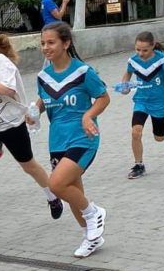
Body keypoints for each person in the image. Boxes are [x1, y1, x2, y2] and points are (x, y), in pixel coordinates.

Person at [0, 28, 61, 225]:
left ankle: (53, 197)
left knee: (28, 166)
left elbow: (8, 89)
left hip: (12, 124)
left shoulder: (2, 64)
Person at [33, 22, 110, 258]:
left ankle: (94, 212)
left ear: (66, 43)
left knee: (56, 185)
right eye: (43, 43)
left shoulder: (83, 72)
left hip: (83, 138)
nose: (46, 47)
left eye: (51, 42)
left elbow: (103, 98)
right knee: (72, 190)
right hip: (57, 141)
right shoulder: (43, 77)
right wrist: (34, 111)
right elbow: (45, 101)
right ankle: (91, 237)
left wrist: (89, 115)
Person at [118, 31, 164, 179]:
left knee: (159, 138)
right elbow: (127, 74)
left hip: (161, 102)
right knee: (136, 132)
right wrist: (124, 86)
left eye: (145, 50)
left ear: (153, 46)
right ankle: (138, 165)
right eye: (137, 49)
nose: (140, 53)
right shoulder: (133, 61)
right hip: (142, 101)